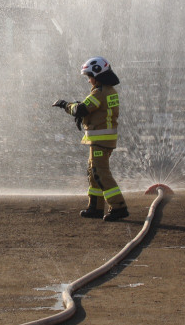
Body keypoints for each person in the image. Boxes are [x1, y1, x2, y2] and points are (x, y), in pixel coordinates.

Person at [53, 56, 129, 221]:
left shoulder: (100, 92)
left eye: (89, 76)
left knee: (101, 173)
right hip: (101, 141)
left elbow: (81, 109)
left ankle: (118, 206)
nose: (88, 80)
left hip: (100, 141)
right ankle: (95, 207)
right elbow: (93, 108)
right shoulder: (108, 91)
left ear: (98, 74)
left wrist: (65, 105)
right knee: (93, 173)